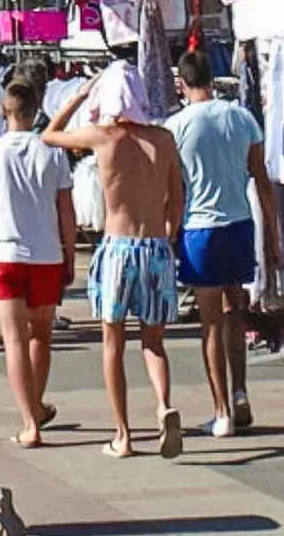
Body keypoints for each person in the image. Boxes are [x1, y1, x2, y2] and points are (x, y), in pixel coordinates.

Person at [42, 62, 186, 461]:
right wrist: (169, 233)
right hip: (155, 246)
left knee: (113, 343)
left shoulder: (103, 138)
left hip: (118, 246)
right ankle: (162, 405)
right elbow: (177, 197)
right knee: (154, 342)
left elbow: (49, 135)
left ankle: (123, 434)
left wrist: (78, 95)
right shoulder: (163, 139)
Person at [168, 50, 281, 438]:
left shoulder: (176, 126)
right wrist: (274, 238)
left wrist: (168, 234)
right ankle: (239, 392)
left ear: (181, 84)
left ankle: (222, 413)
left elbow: (175, 191)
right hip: (239, 224)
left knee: (210, 321)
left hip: (199, 228)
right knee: (236, 311)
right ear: (213, 80)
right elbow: (262, 180)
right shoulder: (241, 117)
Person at [0, 80, 77, 448]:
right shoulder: (52, 151)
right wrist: (70, 254)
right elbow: (66, 210)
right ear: (36, 109)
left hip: (5, 253)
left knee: (13, 339)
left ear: (2, 110)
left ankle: (30, 422)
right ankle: (37, 403)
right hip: (46, 253)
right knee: (41, 335)